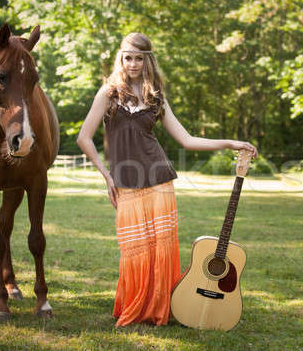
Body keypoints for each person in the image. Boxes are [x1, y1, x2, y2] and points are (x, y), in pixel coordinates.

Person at [77, 32, 257, 327]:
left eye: (138, 58)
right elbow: (84, 137)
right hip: (125, 181)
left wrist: (231, 143)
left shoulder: (155, 97)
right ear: (120, 58)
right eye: (127, 57)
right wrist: (106, 175)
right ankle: (135, 306)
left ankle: (161, 307)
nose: (132, 64)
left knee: (160, 248)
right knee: (133, 249)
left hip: (159, 178)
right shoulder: (109, 93)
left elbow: (187, 139)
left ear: (147, 61)